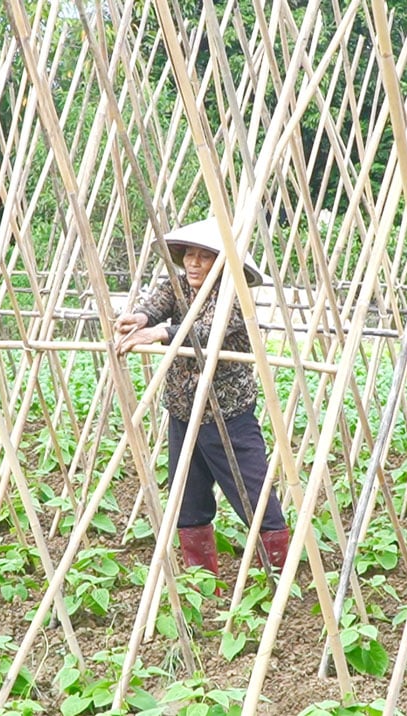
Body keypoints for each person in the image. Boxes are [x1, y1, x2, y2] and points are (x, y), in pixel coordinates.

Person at [114, 218, 290, 587]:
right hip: (183, 410)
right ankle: (203, 583)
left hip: (227, 414)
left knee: (255, 498)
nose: (193, 263)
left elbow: (207, 331)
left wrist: (160, 332)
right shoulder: (179, 286)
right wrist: (140, 318)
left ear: (221, 264)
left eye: (204, 257)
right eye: (189, 255)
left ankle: (277, 578)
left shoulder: (233, 296)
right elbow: (157, 304)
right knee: (188, 500)